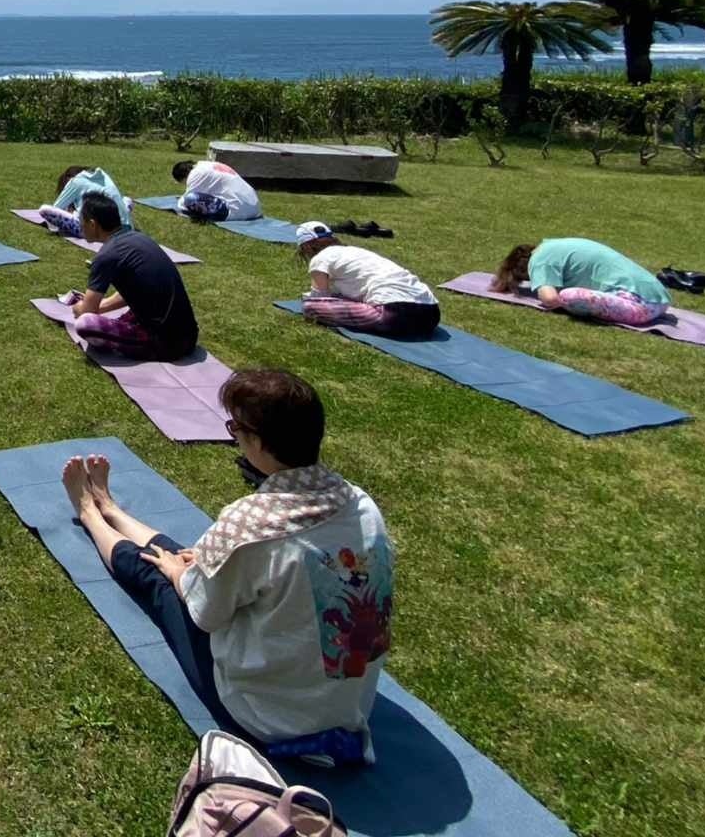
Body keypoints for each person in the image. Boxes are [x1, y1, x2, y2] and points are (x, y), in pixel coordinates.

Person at [63, 368, 394, 765]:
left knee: (160, 575)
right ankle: (113, 509)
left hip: (269, 715)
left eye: (235, 428)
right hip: (344, 705)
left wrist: (179, 576)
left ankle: (91, 514)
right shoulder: (361, 505)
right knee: (193, 558)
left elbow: (206, 614)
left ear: (256, 441)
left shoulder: (249, 524)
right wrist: (195, 566)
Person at [63, 194, 199, 359]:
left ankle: (134, 337)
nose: (80, 225)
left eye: (82, 221)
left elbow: (87, 312)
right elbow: (138, 289)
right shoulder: (139, 238)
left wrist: (79, 307)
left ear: (93, 224)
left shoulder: (106, 255)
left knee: (86, 325)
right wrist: (103, 305)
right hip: (188, 335)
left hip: (166, 345)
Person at [292, 222, 440, 339]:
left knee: (310, 307)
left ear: (306, 246)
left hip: (394, 314)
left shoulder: (320, 259)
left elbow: (320, 298)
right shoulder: (355, 251)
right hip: (431, 315)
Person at [493, 237, 670, 326]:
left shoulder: (539, 260)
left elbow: (550, 299)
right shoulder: (555, 245)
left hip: (643, 306)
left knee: (569, 295)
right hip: (658, 298)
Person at [37, 164, 130, 238]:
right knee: (126, 200)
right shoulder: (103, 177)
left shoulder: (75, 182)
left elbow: (56, 207)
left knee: (44, 210)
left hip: (103, 231)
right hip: (126, 228)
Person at [173, 158, 263, 222]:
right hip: (255, 208)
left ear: (183, 178)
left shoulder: (195, 174)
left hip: (238, 210)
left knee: (190, 199)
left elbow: (183, 204)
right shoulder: (209, 165)